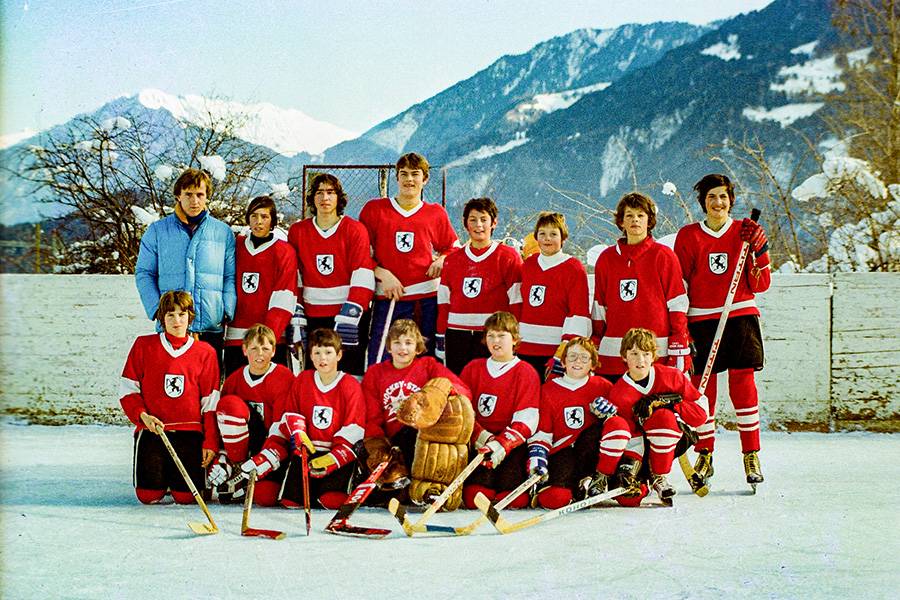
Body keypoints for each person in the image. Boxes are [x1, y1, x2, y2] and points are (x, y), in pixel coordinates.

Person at [673, 173, 771, 488]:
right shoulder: (688, 236)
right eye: (711, 197)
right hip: (702, 321)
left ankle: (751, 454)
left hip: (740, 316)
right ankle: (705, 454)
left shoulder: (745, 232)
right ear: (703, 202)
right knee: (703, 391)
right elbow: (681, 284)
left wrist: (760, 250)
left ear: (731, 200)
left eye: (723, 196)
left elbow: (761, 284)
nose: (718, 202)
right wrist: (681, 325)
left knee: (743, 384)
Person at [222, 328, 365, 509]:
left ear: (339, 355)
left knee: (331, 500)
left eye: (328, 353)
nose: (322, 358)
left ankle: (342, 484)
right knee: (290, 502)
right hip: (305, 452)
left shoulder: (350, 385)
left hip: (335, 455)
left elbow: (354, 427)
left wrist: (333, 458)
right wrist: (299, 434)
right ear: (310, 356)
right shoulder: (303, 380)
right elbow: (291, 413)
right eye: (317, 353)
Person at [119, 290, 220, 505]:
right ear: (162, 318)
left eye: (182, 314)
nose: (177, 321)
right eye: (170, 315)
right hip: (153, 431)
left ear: (190, 317)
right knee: (148, 496)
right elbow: (128, 390)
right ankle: (162, 478)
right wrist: (142, 416)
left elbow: (210, 402)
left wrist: (210, 442)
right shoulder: (144, 345)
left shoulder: (205, 352)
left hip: (189, 434)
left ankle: (180, 480)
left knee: (186, 498)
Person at [359, 153, 459, 365]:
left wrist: (442, 259)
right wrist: (381, 273)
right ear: (397, 177)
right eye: (403, 174)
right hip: (389, 297)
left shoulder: (435, 213)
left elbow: (453, 247)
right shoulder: (375, 210)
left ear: (425, 179)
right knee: (382, 359)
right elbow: (360, 253)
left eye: (415, 174)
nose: (409, 179)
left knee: (425, 361)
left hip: (426, 300)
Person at [589, 328, 708, 505]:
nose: (640, 360)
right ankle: (633, 479)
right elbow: (631, 435)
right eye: (634, 354)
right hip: (640, 449)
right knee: (630, 499)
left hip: (672, 438)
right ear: (624, 356)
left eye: (646, 354)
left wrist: (670, 403)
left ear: (653, 356)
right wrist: (629, 468)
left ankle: (660, 476)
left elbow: (701, 415)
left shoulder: (673, 376)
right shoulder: (619, 393)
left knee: (663, 418)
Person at [361, 319, 470, 507]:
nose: (402, 348)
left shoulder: (428, 365)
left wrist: (438, 392)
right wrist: (378, 444)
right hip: (391, 441)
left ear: (418, 347)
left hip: (420, 436)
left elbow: (462, 390)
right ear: (389, 347)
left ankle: (431, 489)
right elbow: (371, 416)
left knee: (427, 434)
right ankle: (396, 489)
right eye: (397, 342)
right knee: (373, 468)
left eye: (408, 343)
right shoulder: (375, 373)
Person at [135, 168, 236, 367]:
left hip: (210, 326)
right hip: (171, 326)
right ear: (178, 195)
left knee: (210, 383)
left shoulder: (222, 232)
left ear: (207, 196)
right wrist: (158, 310)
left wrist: (226, 309)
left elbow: (229, 276)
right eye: (188, 194)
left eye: (200, 194)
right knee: (171, 382)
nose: (194, 201)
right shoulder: (157, 231)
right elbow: (144, 273)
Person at [592, 192, 690, 382]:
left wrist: (678, 341)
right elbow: (599, 306)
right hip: (613, 353)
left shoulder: (664, 255)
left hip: (654, 353)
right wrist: (595, 341)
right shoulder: (606, 259)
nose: (635, 219)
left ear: (649, 220)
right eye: (629, 215)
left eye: (640, 215)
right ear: (621, 222)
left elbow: (677, 303)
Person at [288, 174, 375, 376]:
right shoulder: (298, 231)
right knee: (316, 373)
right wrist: (297, 311)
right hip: (313, 315)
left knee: (350, 374)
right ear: (312, 198)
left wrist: (351, 314)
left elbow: (362, 272)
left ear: (339, 198)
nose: (325, 198)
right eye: (319, 193)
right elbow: (294, 275)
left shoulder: (355, 229)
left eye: (330, 192)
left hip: (347, 314)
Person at [207, 324, 296, 504]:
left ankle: (250, 480)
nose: (259, 354)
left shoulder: (284, 377)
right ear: (244, 350)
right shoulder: (234, 380)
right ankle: (237, 469)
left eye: (265, 349)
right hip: (245, 447)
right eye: (254, 348)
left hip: (273, 445)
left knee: (265, 497)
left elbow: (283, 425)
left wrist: (268, 456)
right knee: (229, 405)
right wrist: (222, 456)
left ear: (273, 351)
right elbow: (222, 422)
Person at [460, 311, 540, 510]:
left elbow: (528, 418)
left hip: (511, 446)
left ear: (514, 339)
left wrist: (502, 444)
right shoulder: (473, 368)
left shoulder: (526, 372)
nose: (495, 341)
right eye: (491, 335)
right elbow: (462, 410)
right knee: (474, 496)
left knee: (514, 499)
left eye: (501, 336)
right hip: (481, 444)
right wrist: (484, 438)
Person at [527, 337, 615, 509]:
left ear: (593, 363)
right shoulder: (548, 390)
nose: (577, 362)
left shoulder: (603, 386)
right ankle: (572, 488)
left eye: (584, 357)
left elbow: (620, 425)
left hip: (591, 452)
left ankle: (593, 481)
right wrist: (538, 458)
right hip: (562, 450)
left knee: (596, 433)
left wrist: (611, 415)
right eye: (572, 356)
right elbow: (543, 432)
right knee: (555, 498)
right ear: (563, 362)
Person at [437, 197, 523, 374]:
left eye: (484, 219)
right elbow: (444, 303)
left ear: (494, 223)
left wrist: (515, 336)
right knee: (458, 384)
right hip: (456, 334)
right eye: (473, 220)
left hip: (492, 335)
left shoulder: (508, 257)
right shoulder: (452, 260)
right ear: (465, 223)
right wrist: (440, 336)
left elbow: (516, 301)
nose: (478, 225)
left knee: (490, 384)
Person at [223, 196, 297, 377]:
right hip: (236, 337)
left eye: (264, 216)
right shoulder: (236, 246)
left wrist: (265, 338)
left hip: (270, 340)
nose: (258, 221)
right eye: (254, 216)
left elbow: (284, 296)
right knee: (236, 389)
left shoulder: (284, 251)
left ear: (272, 221)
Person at [515, 211, 591, 380]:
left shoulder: (573, 268)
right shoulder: (528, 265)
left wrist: (564, 350)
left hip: (554, 350)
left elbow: (578, 312)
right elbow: (519, 304)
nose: (547, 238)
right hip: (525, 348)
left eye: (553, 234)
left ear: (563, 238)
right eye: (542, 233)